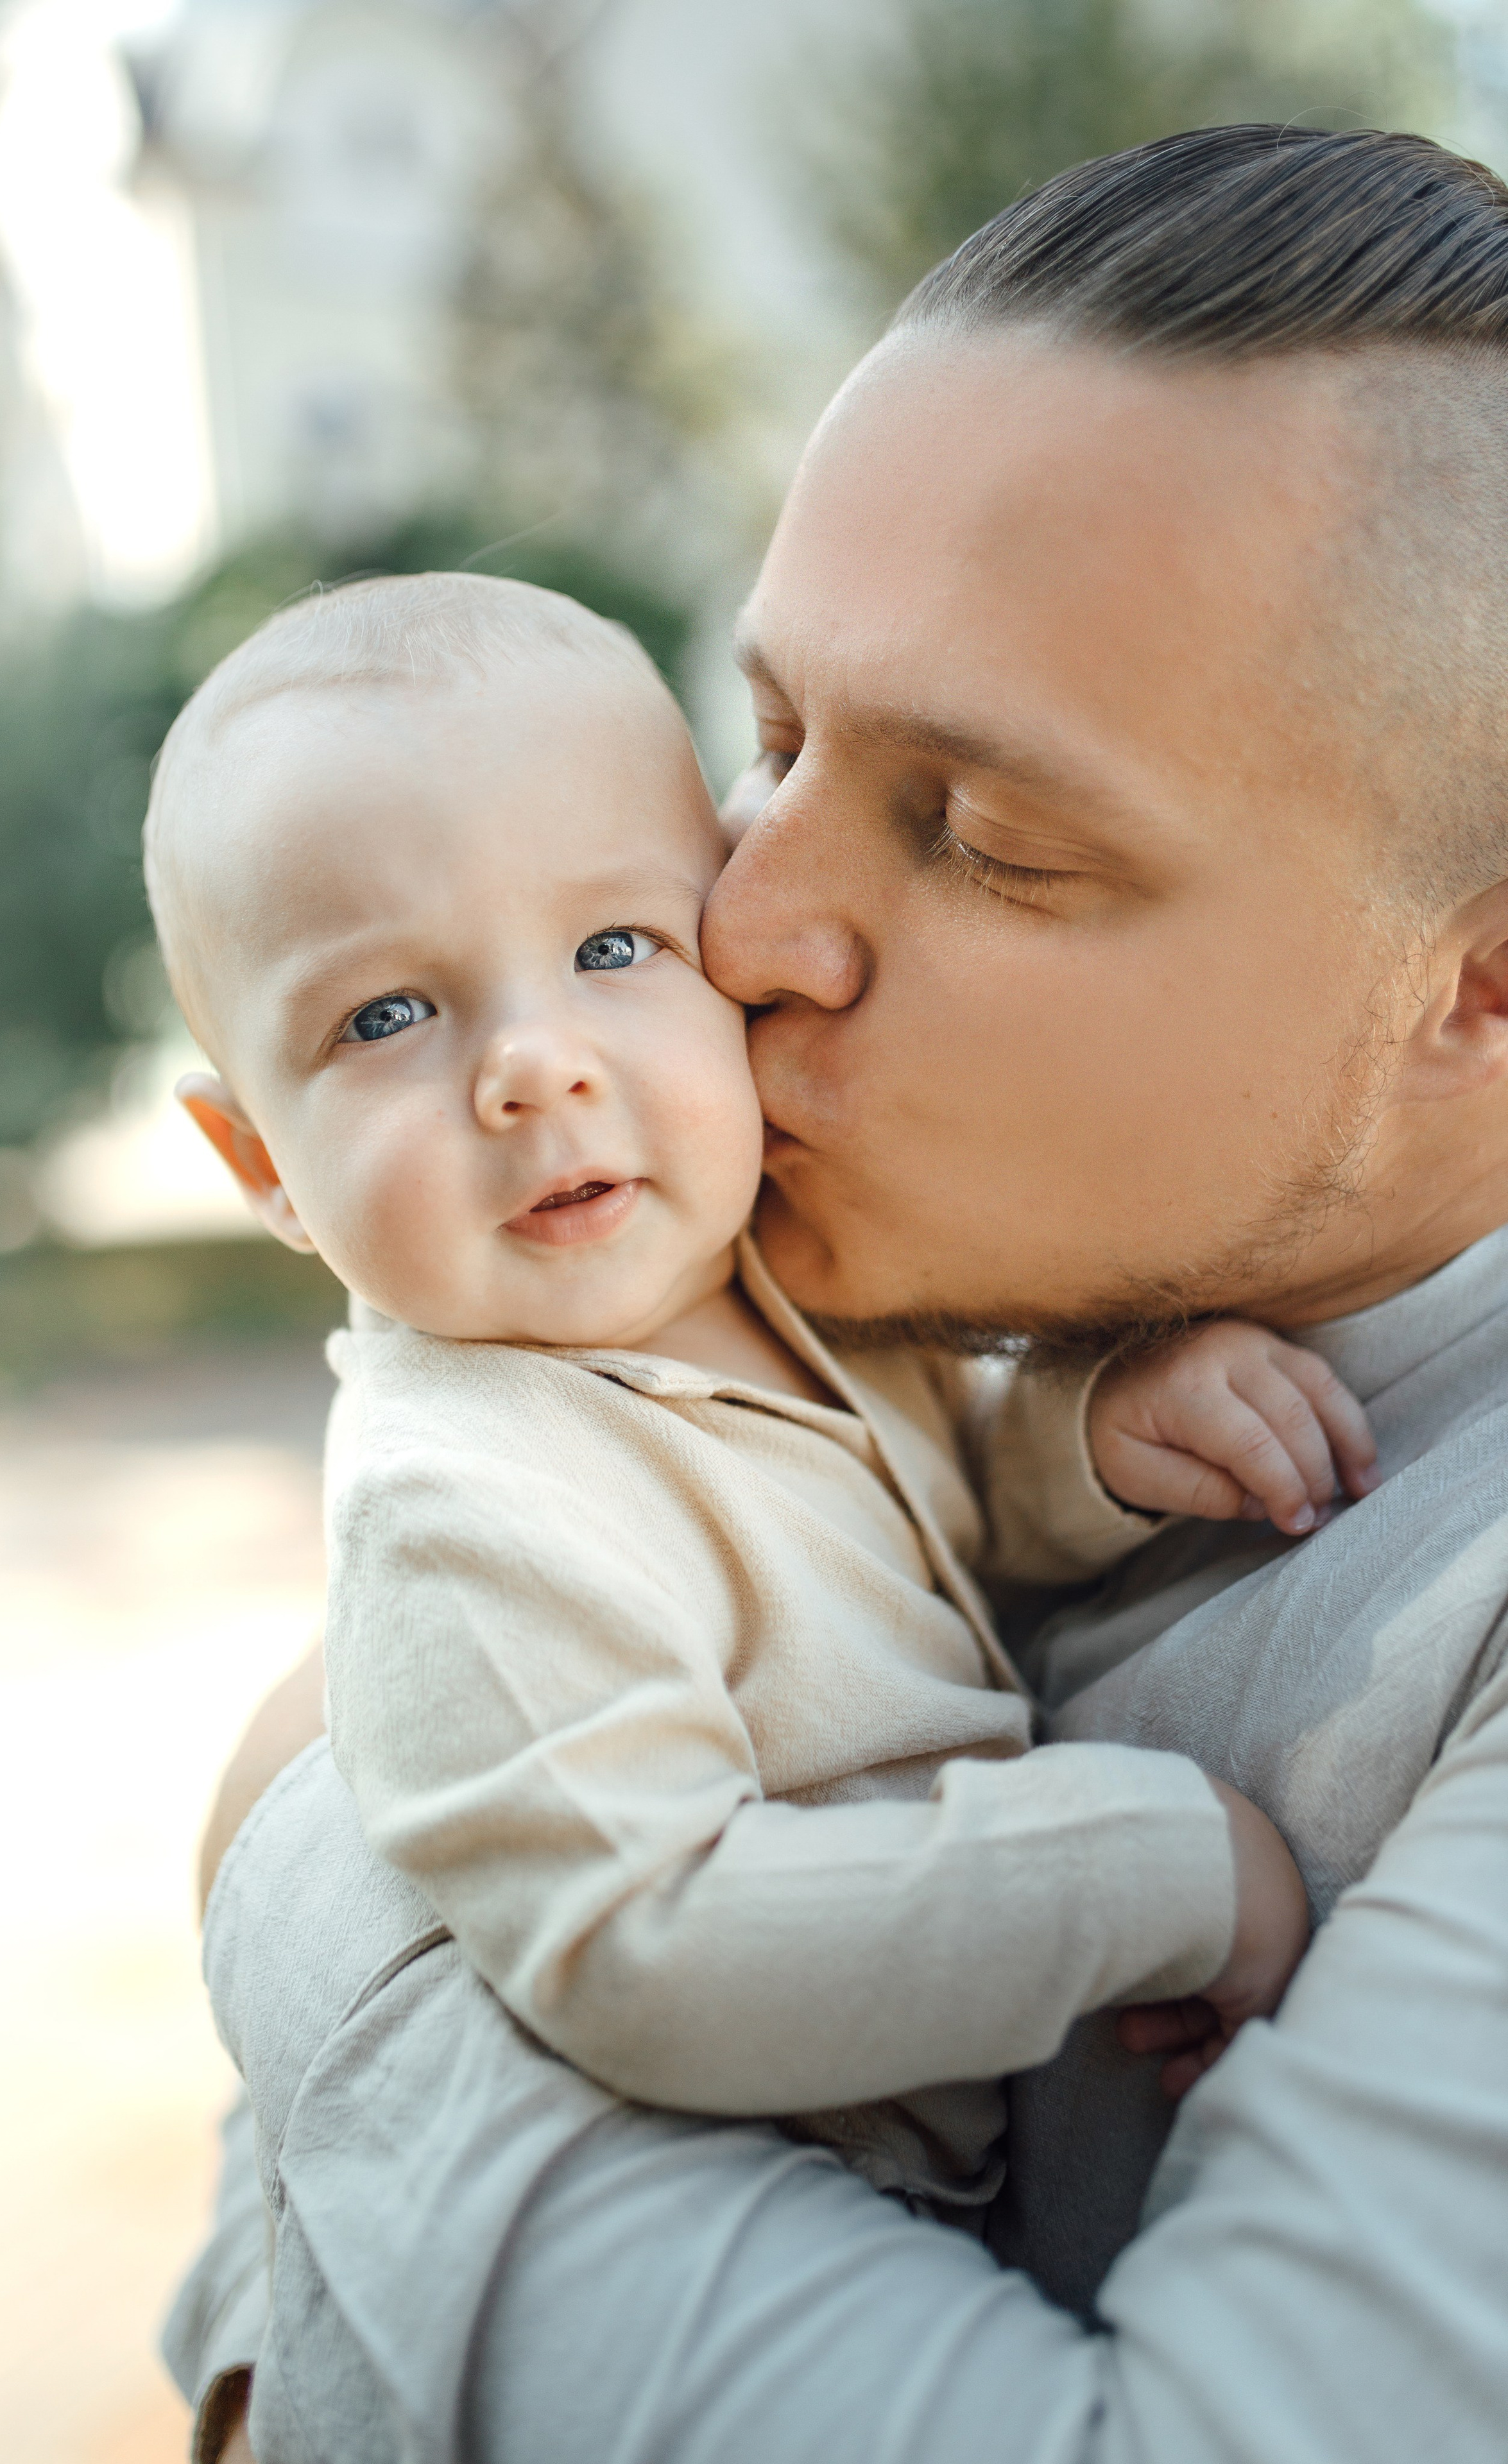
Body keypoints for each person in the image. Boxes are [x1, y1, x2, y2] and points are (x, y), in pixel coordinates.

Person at [167, 125, 1508, 2463]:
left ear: (1480, 980)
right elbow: (253, 2350)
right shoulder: (800, 1361)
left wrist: (320, 1867)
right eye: (767, 745)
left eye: (987, 837)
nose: (740, 930)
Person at [144, 565, 1345, 2236]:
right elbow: (648, 1948)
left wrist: (1104, 1435)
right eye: (388, 1014)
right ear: (264, 1162)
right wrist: (1155, 1872)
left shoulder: (788, 1276)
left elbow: (962, 1494)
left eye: (613, 946)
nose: (533, 1064)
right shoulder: (470, 1515)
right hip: (753, 2233)